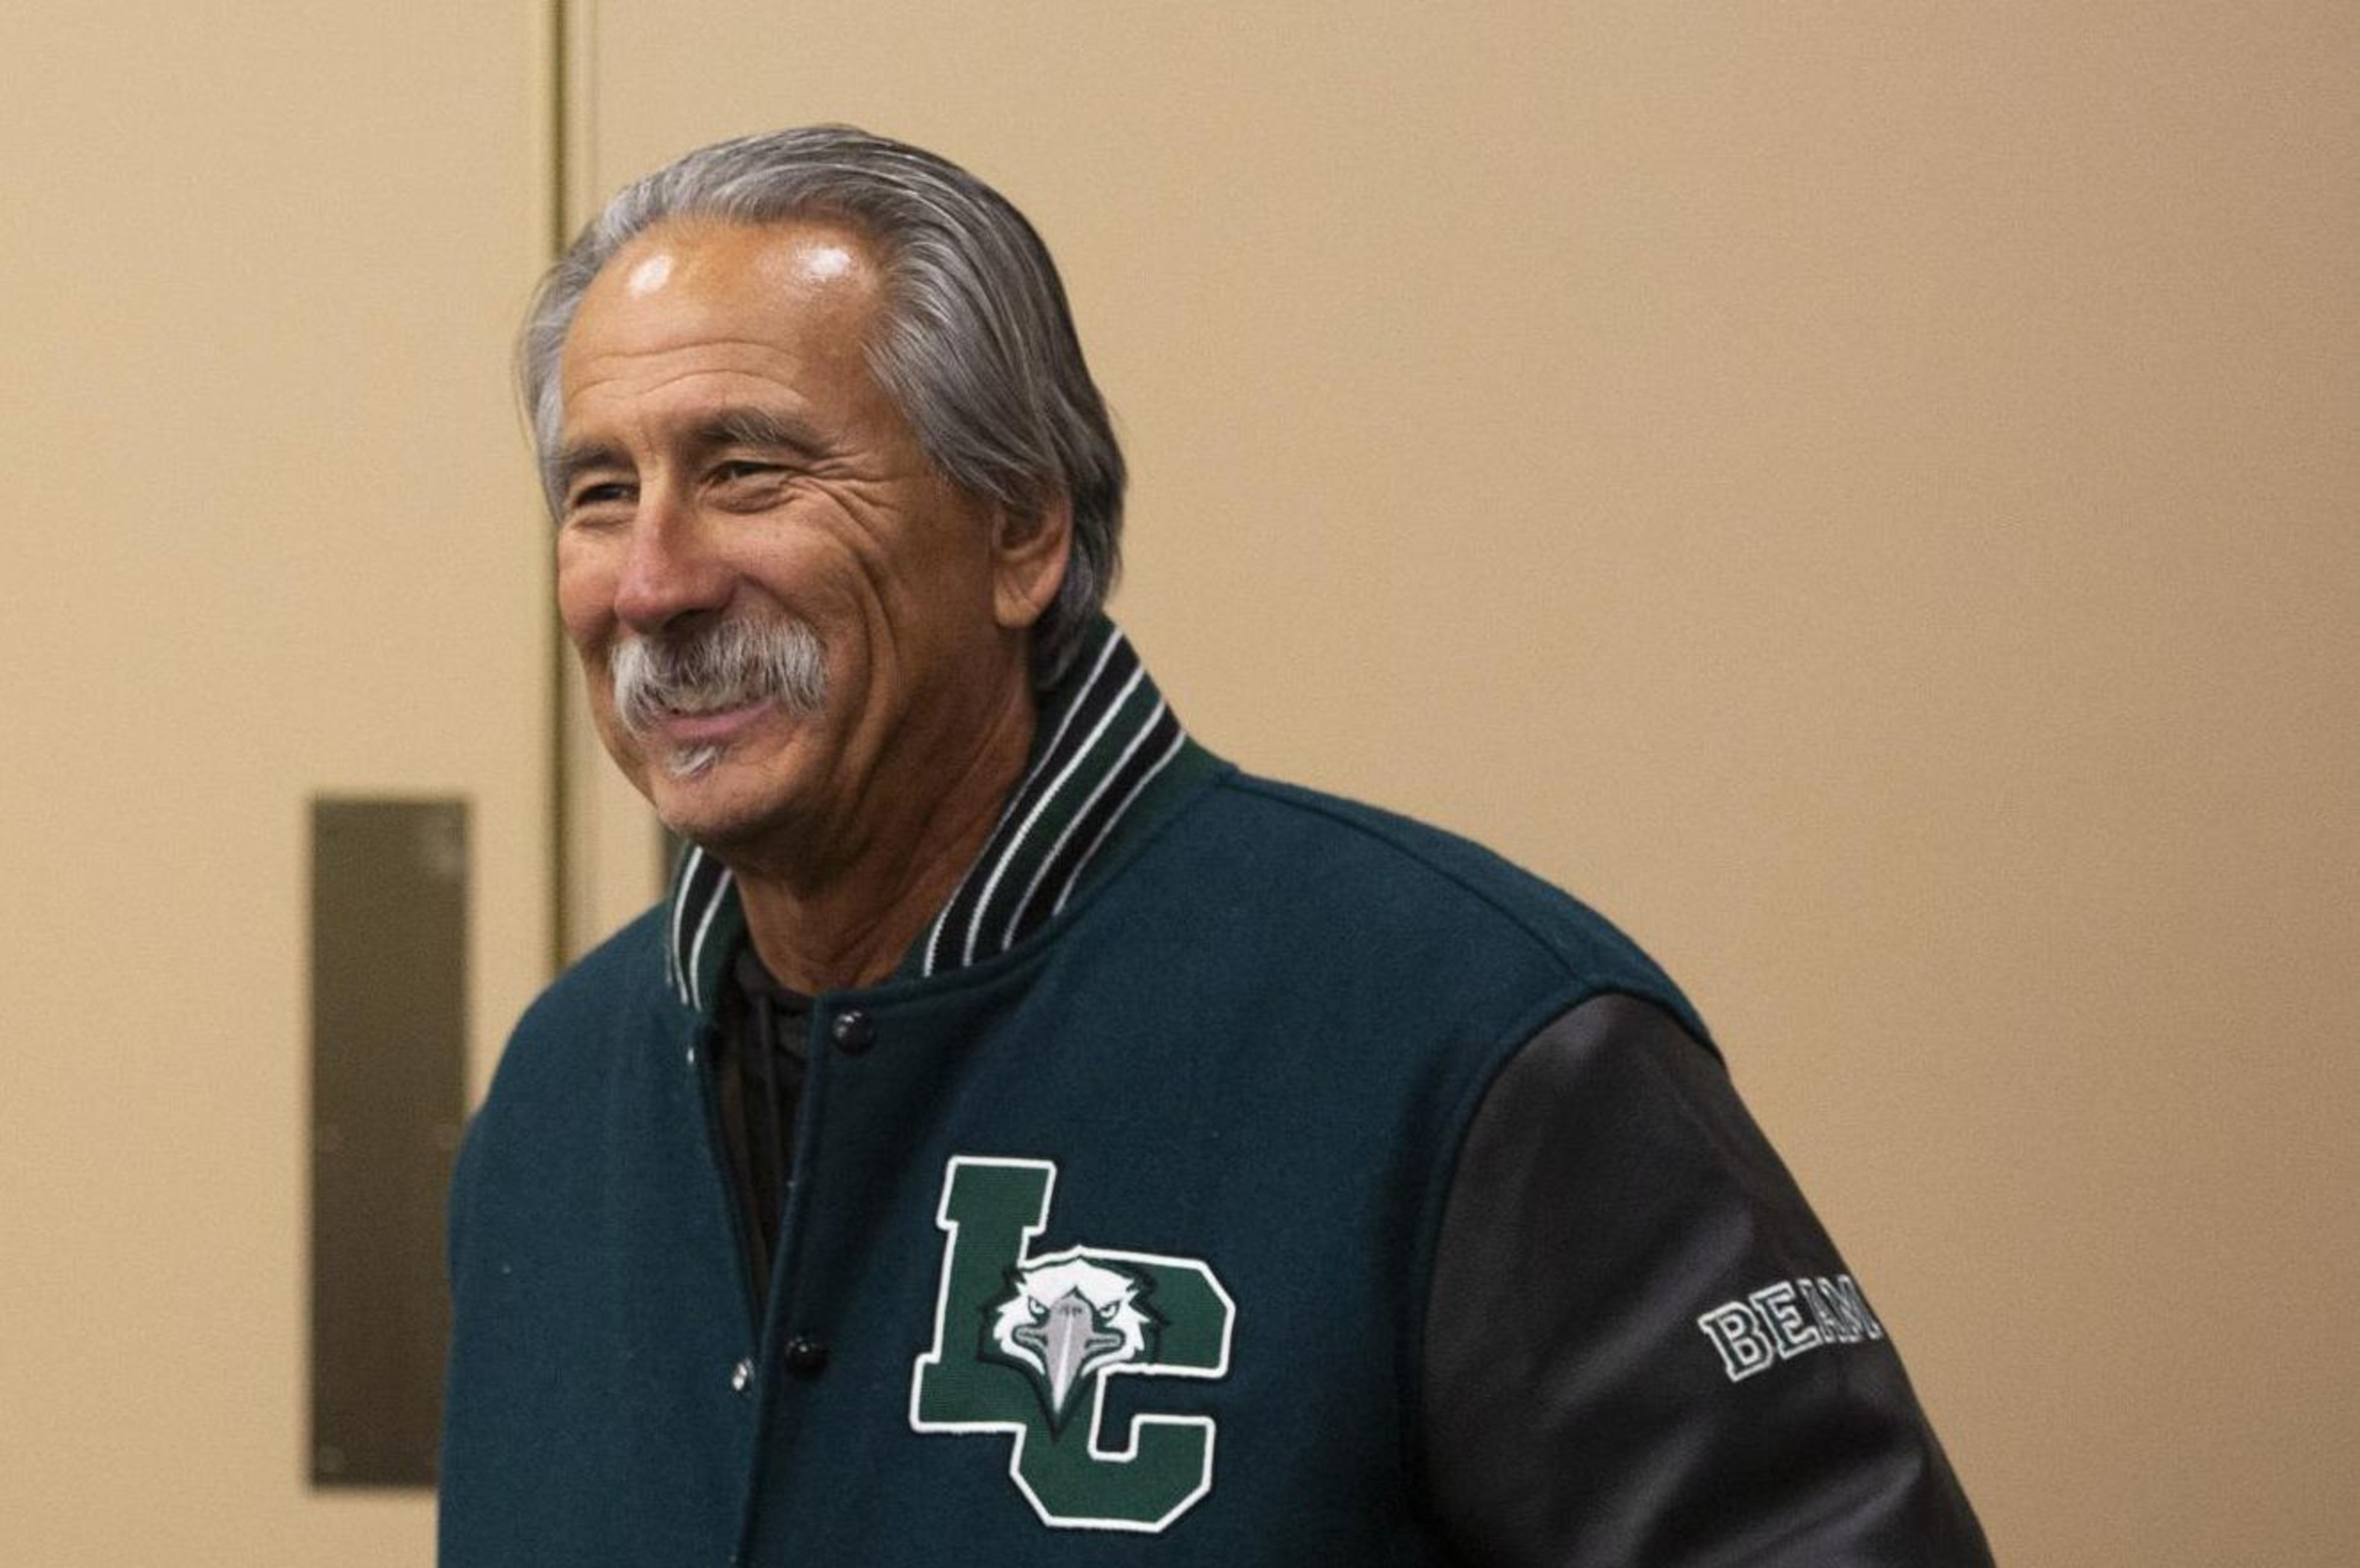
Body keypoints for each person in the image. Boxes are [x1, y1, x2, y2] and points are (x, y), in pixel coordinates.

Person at [439, 125, 1993, 1566]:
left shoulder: (1475, 1044)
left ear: (1022, 529)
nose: (652, 583)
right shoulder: (563, 1090)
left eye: (747, 472)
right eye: (599, 493)